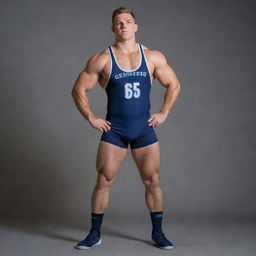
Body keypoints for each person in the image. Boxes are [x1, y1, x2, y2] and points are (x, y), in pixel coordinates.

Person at [71, 7, 181, 250]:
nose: (123, 26)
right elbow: (78, 90)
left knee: (152, 179)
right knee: (104, 180)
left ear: (135, 26)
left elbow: (173, 83)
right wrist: (91, 117)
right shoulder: (101, 59)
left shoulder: (152, 57)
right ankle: (94, 234)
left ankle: (158, 233)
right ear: (113, 28)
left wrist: (164, 112)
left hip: (144, 128)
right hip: (115, 129)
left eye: (127, 22)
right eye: (118, 23)